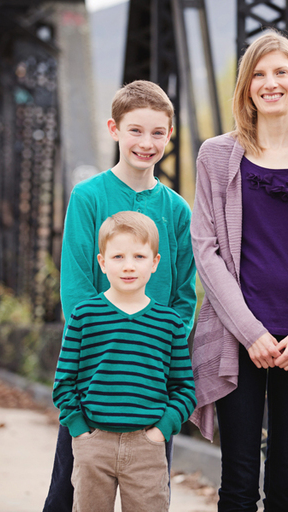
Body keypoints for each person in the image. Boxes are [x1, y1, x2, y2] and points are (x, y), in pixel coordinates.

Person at [189, 30, 288, 511]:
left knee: (286, 486)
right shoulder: (216, 155)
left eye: (280, 72)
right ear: (246, 86)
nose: (270, 83)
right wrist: (250, 331)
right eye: (258, 74)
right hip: (238, 338)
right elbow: (206, 249)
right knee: (237, 485)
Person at [43, 80, 197, 512]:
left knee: (148, 494)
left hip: (149, 378)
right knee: (68, 493)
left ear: (169, 135)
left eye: (157, 133)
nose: (146, 143)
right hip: (95, 373)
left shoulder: (177, 209)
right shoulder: (88, 197)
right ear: (114, 129)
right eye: (135, 131)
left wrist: (159, 343)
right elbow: (76, 286)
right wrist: (103, 345)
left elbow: (184, 293)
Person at [52, 211, 196, 511]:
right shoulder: (84, 316)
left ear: (154, 262)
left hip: (147, 446)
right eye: (118, 257)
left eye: (139, 256)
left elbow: (184, 388)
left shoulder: (169, 323)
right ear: (102, 262)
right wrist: (80, 431)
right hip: (94, 444)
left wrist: (161, 431)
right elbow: (63, 383)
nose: (128, 266)